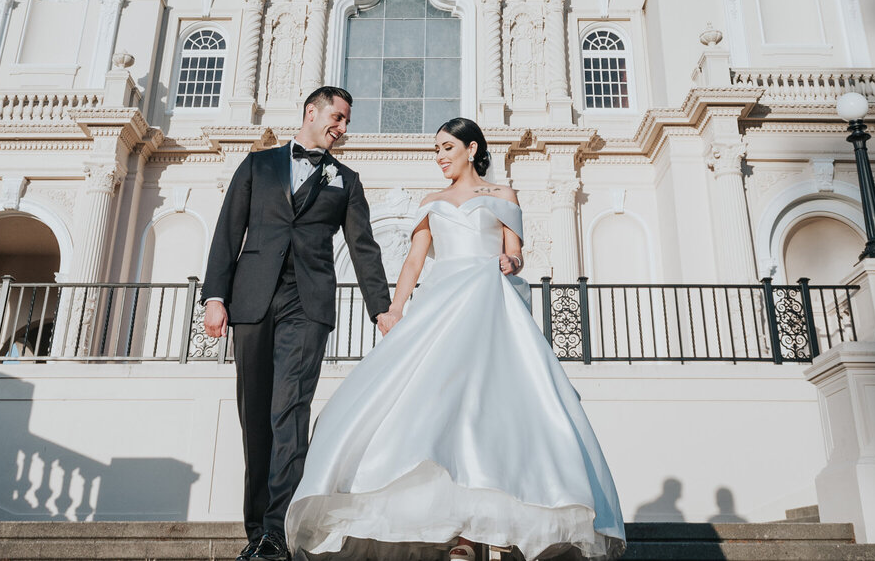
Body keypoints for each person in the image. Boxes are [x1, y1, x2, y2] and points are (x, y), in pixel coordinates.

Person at [285, 117, 625, 561]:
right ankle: (458, 534)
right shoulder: (432, 202)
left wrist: (511, 263)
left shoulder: (503, 195)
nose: (440, 156)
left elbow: (515, 252)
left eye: (447, 147)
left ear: (471, 148)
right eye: (437, 150)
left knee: (491, 411)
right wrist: (395, 309)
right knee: (439, 411)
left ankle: (493, 529)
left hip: (489, 303)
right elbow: (412, 263)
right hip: (442, 303)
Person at [202, 86, 394, 561]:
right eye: (338, 116)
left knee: (289, 412)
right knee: (256, 419)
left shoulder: (345, 181)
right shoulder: (258, 165)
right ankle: (256, 532)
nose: (343, 127)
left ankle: (277, 532)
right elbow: (229, 230)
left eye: (347, 120)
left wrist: (383, 308)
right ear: (312, 111)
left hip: (307, 306)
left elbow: (363, 247)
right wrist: (214, 296)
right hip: (252, 301)